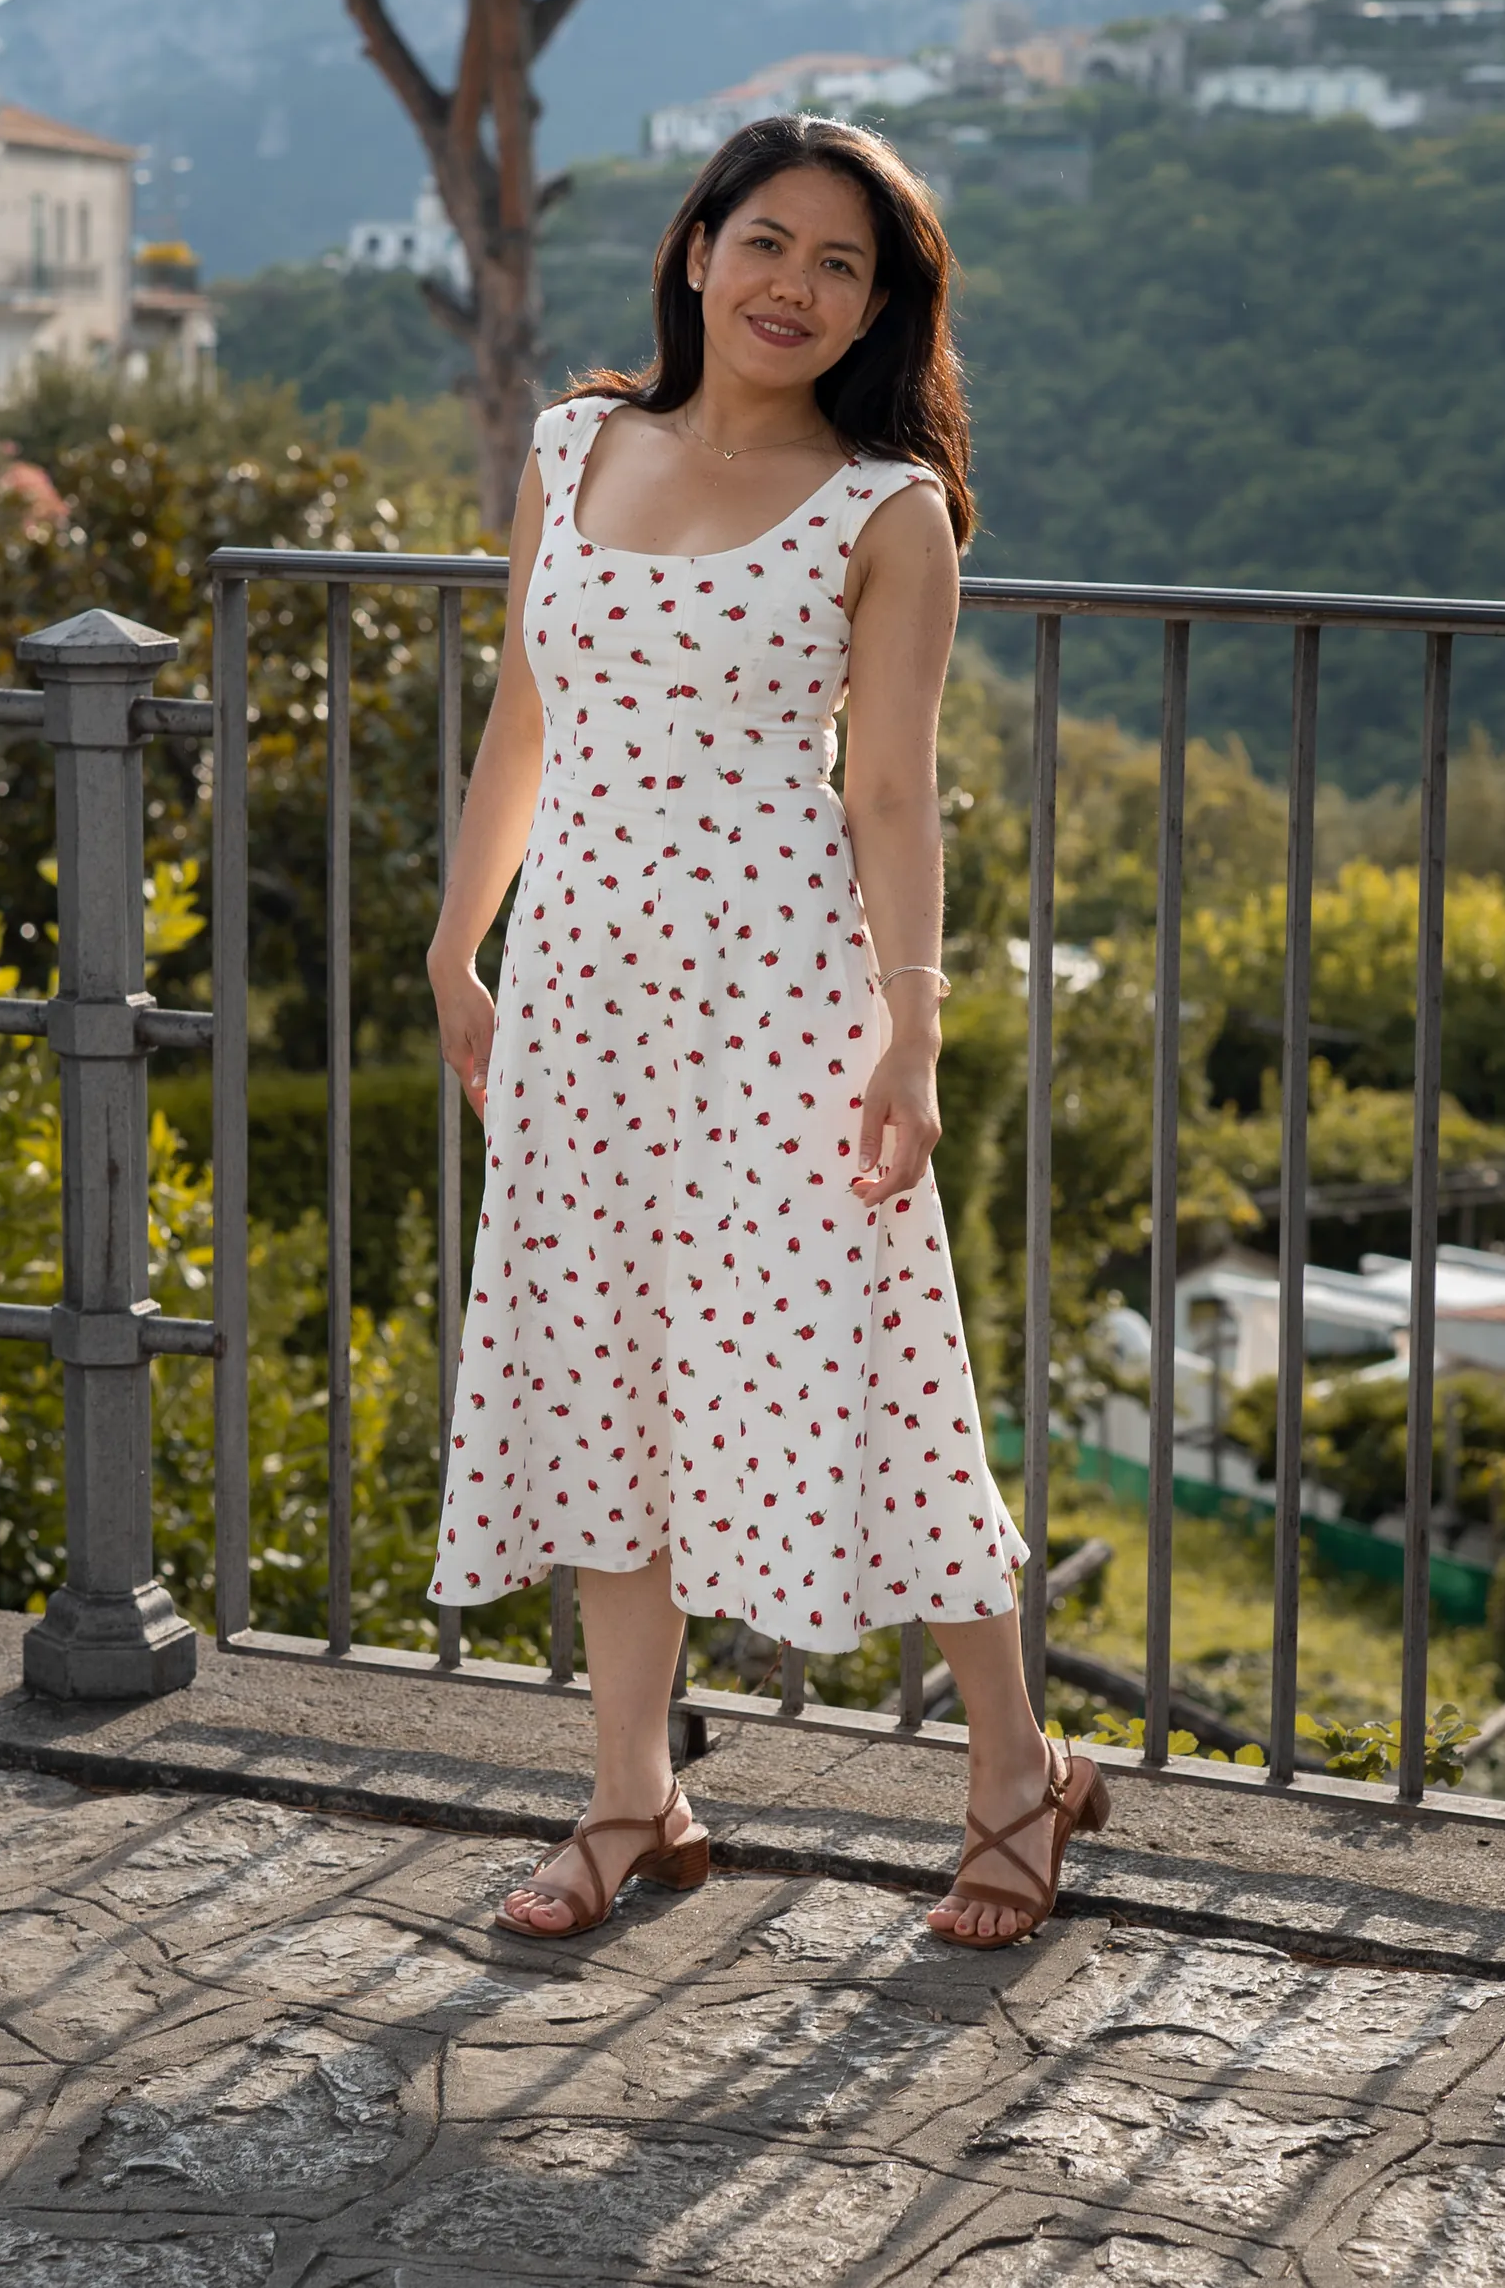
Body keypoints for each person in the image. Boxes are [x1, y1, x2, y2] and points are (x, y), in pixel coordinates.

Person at [425, 113, 1108, 1950]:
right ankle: (631, 1797)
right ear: (697, 248)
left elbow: (890, 793)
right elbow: (521, 720)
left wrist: (912, 1033)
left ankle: (1014, 1772)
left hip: (781, 1001)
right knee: (605, 1375)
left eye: (840, 266)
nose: (794, 286)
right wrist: (455, 944)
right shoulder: (571, 447)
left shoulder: (885, 511)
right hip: (580, 994)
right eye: (768, 243)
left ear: (878, 310)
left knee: (873, 1367)